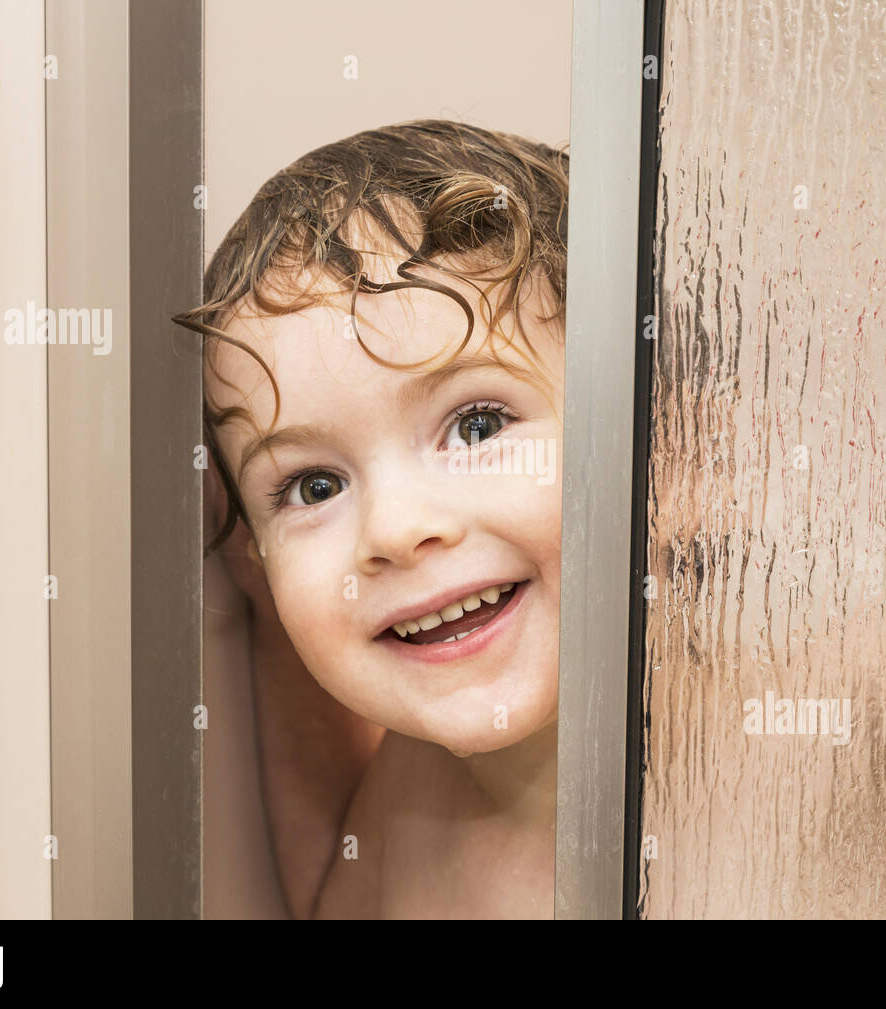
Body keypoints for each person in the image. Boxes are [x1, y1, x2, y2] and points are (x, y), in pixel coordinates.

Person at [177, 120, 569, 919]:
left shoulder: (749, 781)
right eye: (315, 487)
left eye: (479, 426)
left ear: (663, 432)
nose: (394, 529)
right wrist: (253, 616)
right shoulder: (421, 779)